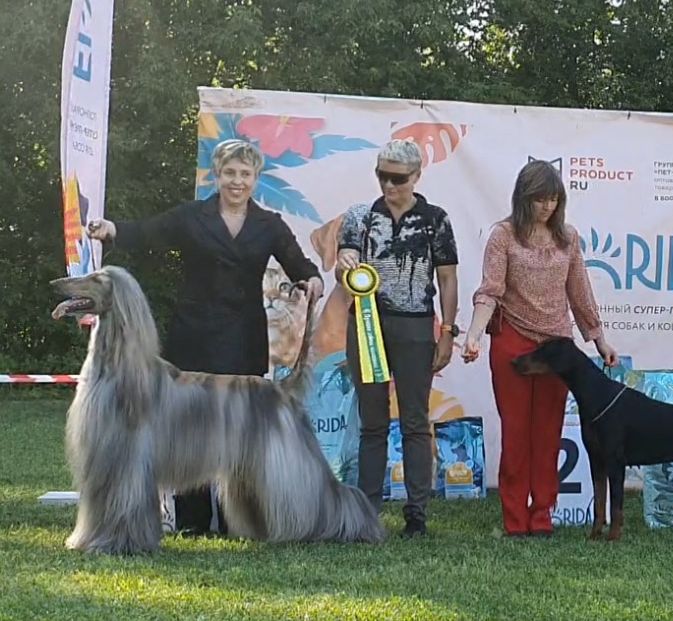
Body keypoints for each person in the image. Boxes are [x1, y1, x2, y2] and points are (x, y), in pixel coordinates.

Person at [86, 138, 324, 535]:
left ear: (256, 178)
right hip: (193, 337)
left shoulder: (269, 225)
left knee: (243, 434)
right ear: (217, 175)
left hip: (243, 341)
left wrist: (312, 279)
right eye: (229, 173)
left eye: (245, 174)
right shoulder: (192, 217)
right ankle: (192, 521)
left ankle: (239, 520)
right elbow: (147, 232)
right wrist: (112, 230)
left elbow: (298, 262)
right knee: (188, 430)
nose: (237, 181)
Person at [462, 159, 618, 538]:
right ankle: (515, 519)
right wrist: (474, 334)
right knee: (516, 432)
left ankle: (543, 514)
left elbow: (580, 293)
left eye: (553, 199)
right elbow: (490, 291)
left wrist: (599, 339)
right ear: (523, 198)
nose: (547, 206)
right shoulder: (503, 236)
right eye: (539, 199)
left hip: (557, 349)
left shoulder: (568, 238)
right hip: (512, 342)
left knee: (548, 433)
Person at [336, 139, 459, 538]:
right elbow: (343, 266)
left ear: (417, 176)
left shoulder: (436, 219)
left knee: (415, 421)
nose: (389, 185)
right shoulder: (359, 216)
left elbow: (447, 278)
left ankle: (417, 514)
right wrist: (344, 263)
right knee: (371, 422)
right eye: (382, 176)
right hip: (366, 325)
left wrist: (447, 331)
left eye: (398, 178)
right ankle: (367, 512)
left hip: (416, 327)